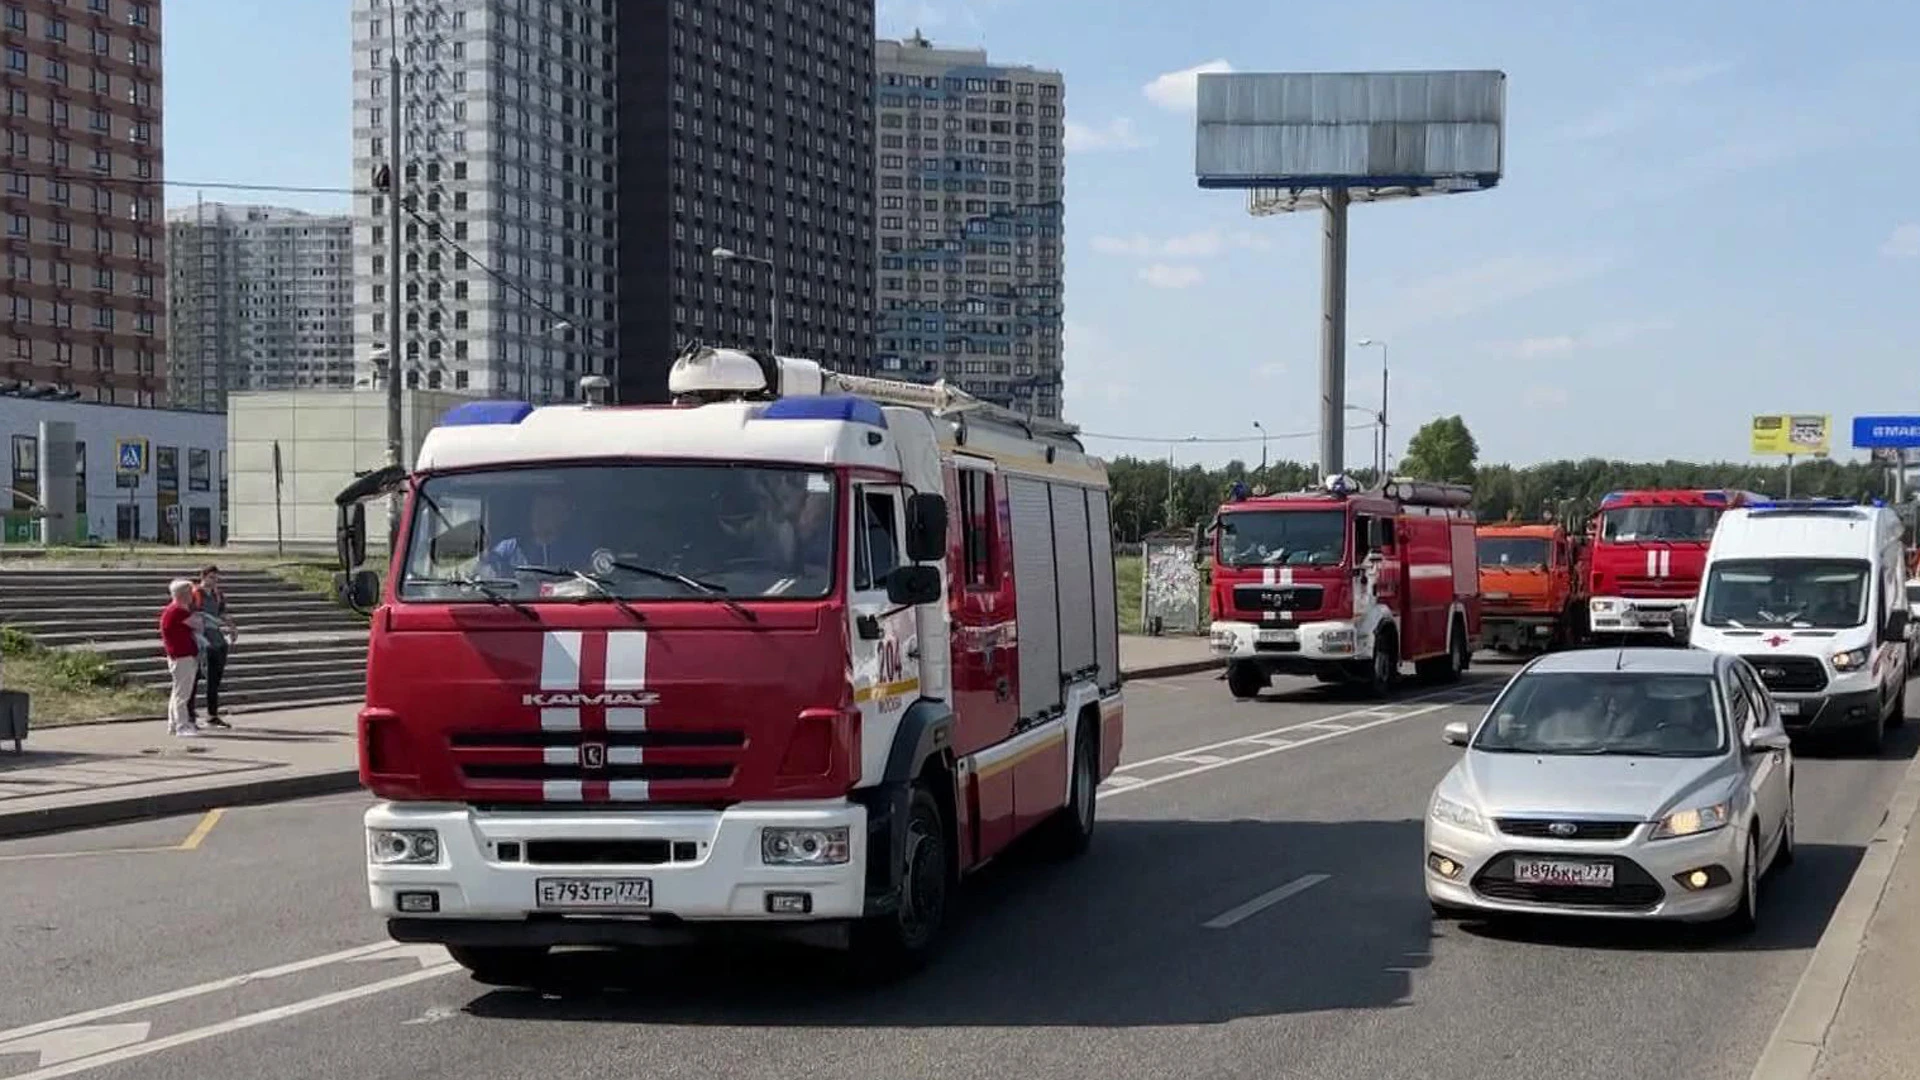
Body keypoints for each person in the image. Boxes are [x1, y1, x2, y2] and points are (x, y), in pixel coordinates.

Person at [191, 566, 237, 729]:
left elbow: (222, 613)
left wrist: (231, 625)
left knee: (215, 679)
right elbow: (192, 614)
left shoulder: (217, 594)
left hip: (217, 639)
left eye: (216, 578)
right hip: (202, 639)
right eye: (211, 577)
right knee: (196, 677)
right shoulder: (195, 593)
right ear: (203, 577)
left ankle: (212, 714)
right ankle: (190, 714)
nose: (214, 581)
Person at [159, 580, 200, 738]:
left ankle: (173, 724)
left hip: (180, 655)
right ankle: (182, 726)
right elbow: (199, 625)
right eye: (190, 593)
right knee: (182, 694)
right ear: (184, 594)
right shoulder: (178, 611)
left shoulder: (174, 610)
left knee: (177, 692)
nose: (193, 596)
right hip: (182, 656)